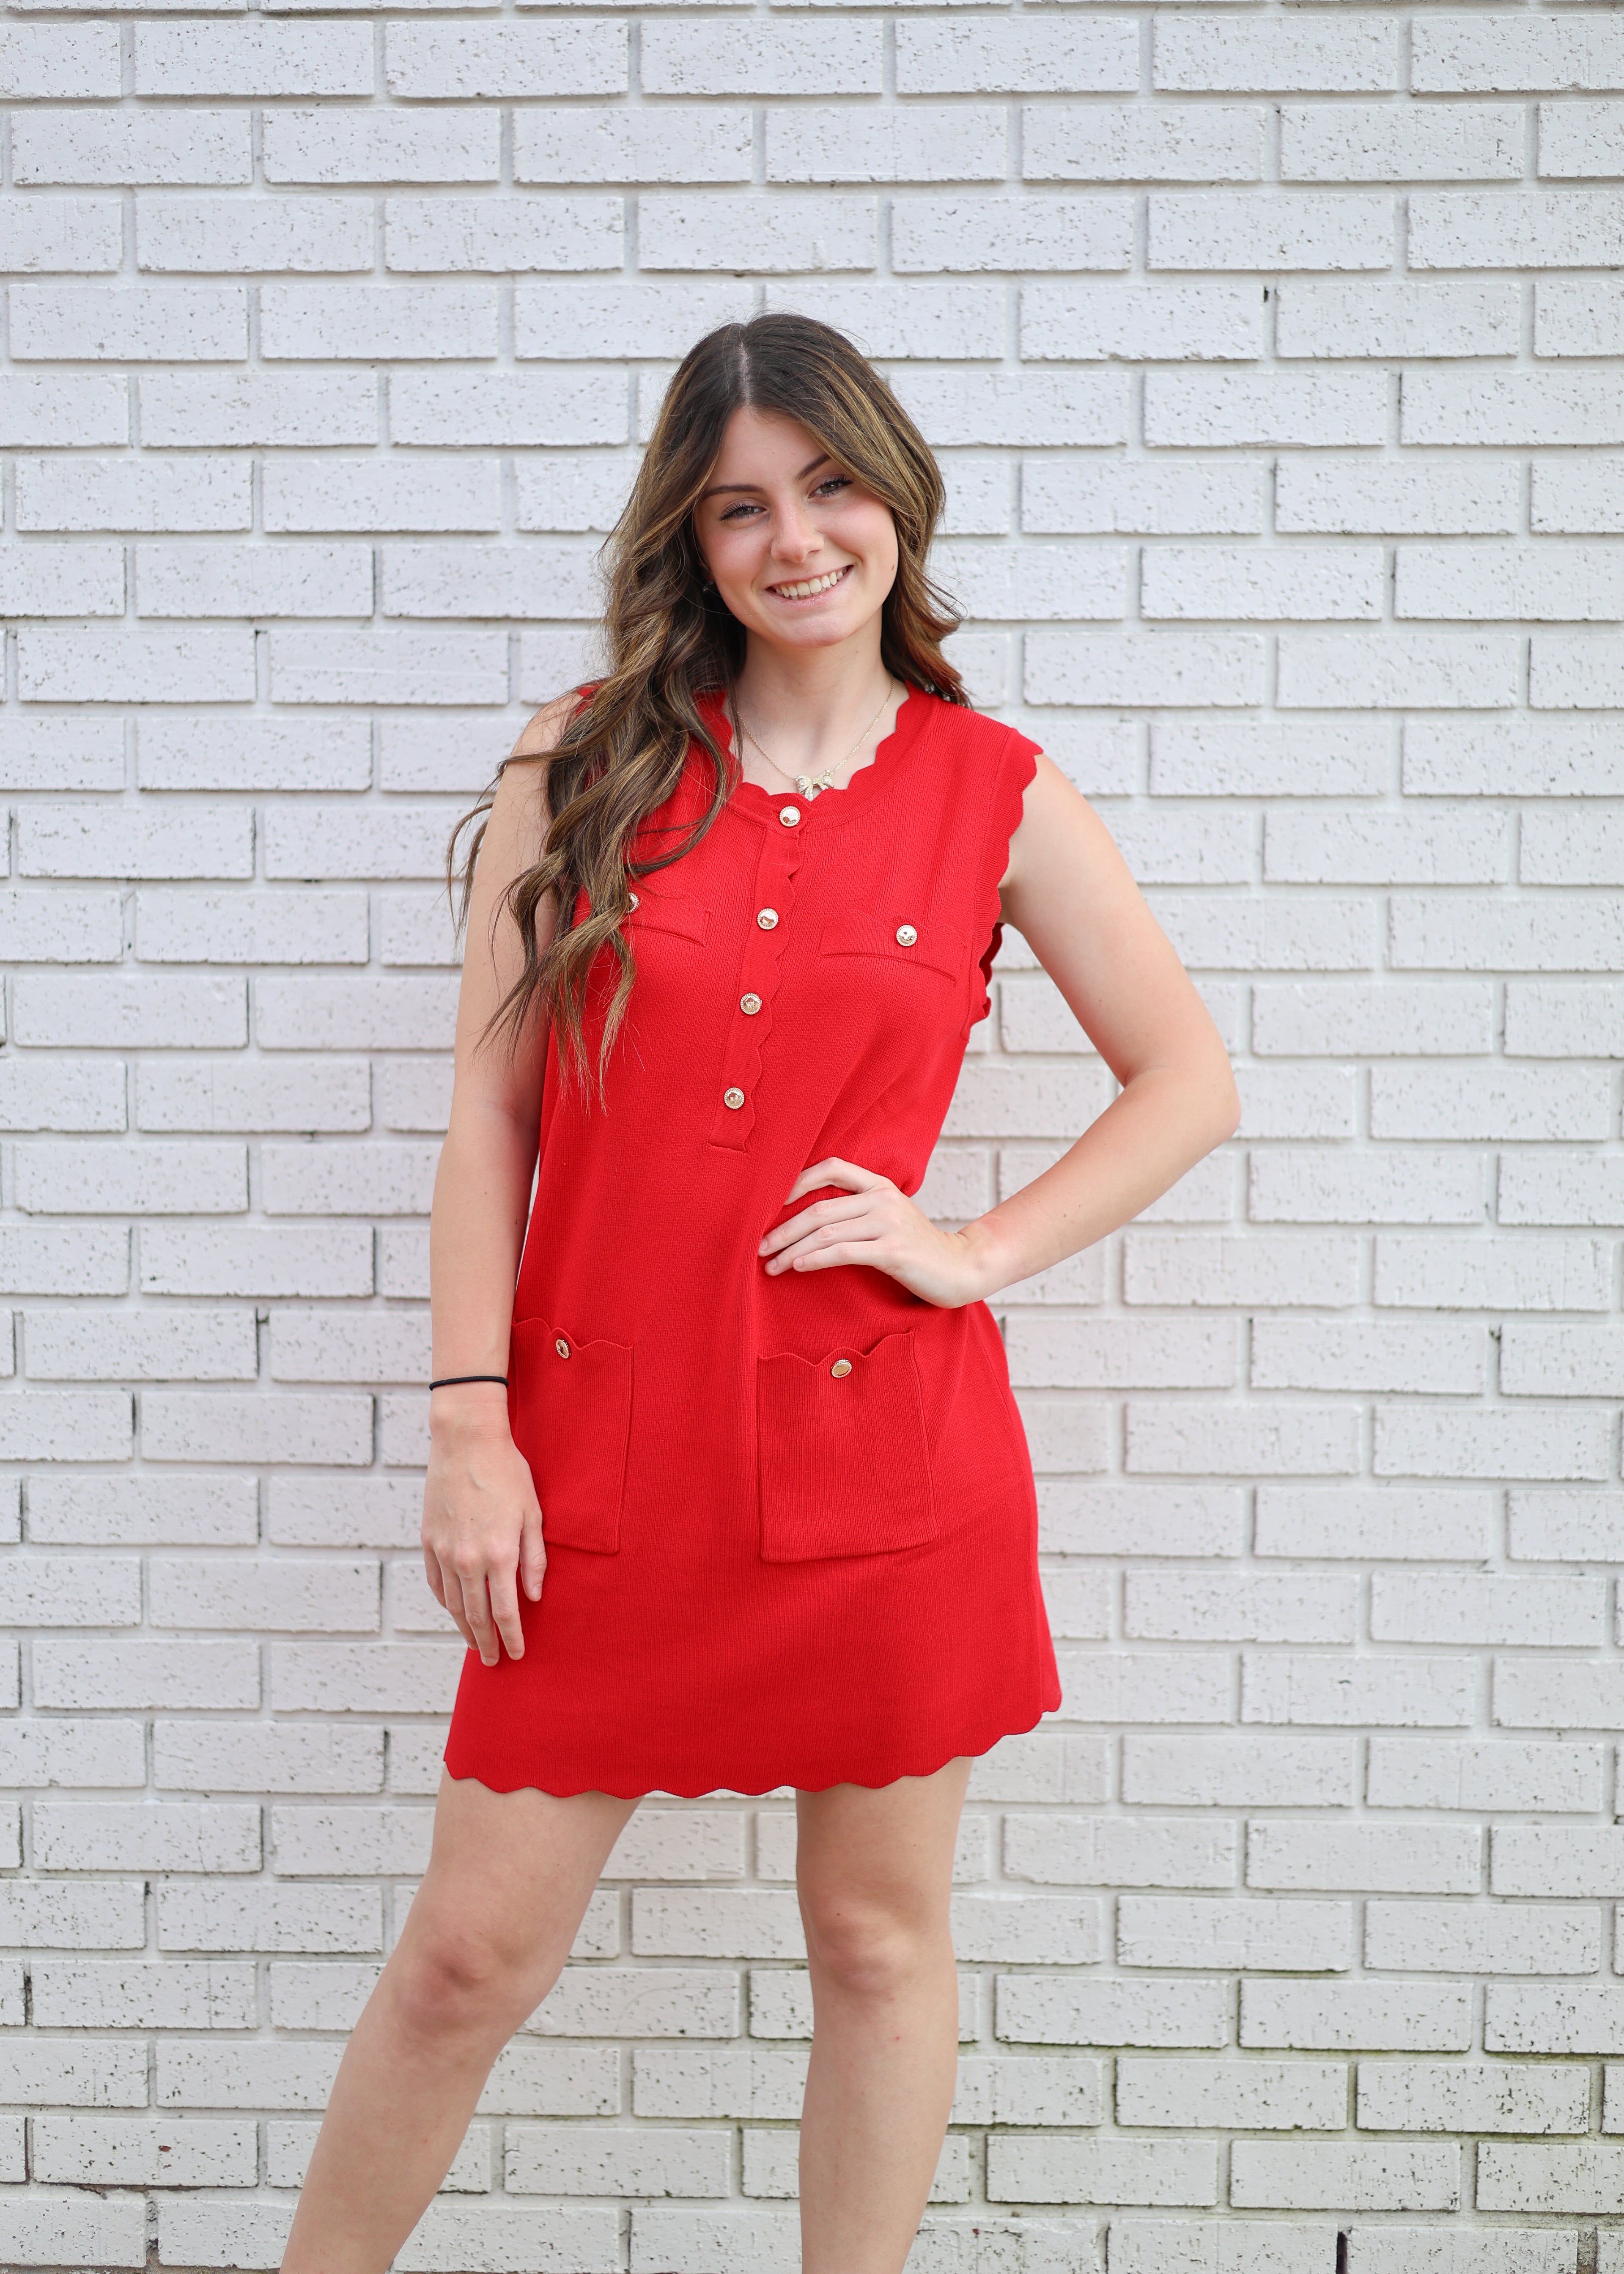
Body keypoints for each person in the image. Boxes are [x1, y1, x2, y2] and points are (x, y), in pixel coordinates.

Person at [279, 313, 1240, 2274]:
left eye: (825, 486)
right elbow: (489, 1117)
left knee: (877, 1943)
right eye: (738, 507)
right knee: (470, 1953)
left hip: (885, 1466)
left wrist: (969, 1250)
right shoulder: (590, 759)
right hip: (599, 1455)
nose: (794, 541)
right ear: (690, 542)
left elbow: (1192, 1080)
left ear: (893, 493)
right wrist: (470, 1423)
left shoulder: (997, 791)